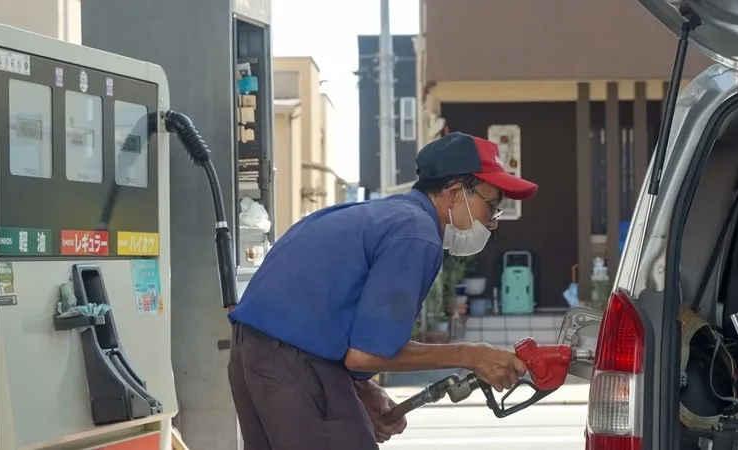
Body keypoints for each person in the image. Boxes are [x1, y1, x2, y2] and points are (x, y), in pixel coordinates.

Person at [228, 132, 539, 449]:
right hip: (293, 364)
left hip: (253, 355)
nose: (494, 222)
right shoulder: (416, 234)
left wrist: (362, 390)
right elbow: (368, 354)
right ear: (455, 193)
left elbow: (340, 330)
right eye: (492, 206)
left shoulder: (379, 216)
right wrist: (473, 355)